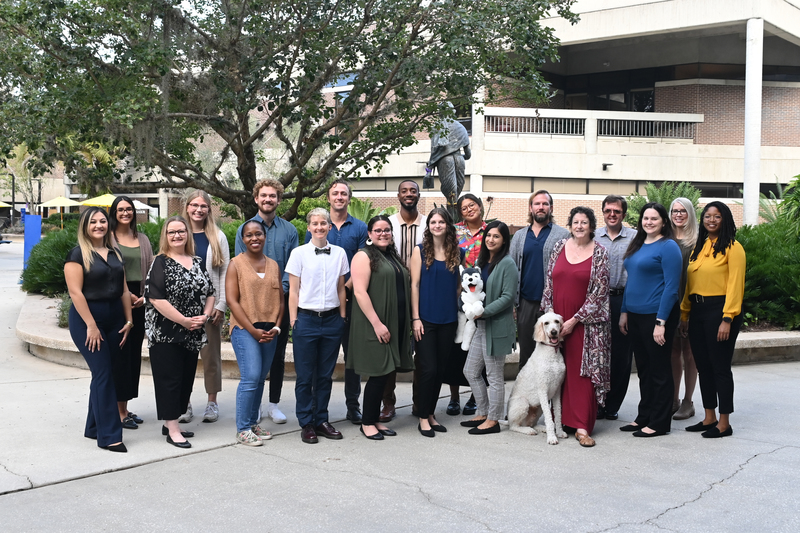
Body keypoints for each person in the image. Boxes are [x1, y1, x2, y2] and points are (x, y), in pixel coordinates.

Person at [65, 207, 134, 453]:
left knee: (108, 374)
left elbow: (124, 289)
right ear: (85, 226)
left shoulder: (115, 253)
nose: (98, 225)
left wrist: (128, 321)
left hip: (116, 319)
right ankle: (109, 436)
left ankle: (93, 427)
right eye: (92, 221)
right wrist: (91, 326)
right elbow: (75, 293)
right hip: (87, 321)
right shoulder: (77, 255)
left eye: (102, 221)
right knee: (103, 373)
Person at [541, 206, 611, 447]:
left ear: (592, 226)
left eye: (585, 222)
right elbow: (548, 283)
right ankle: (559, 421)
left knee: (581, 374)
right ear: (570, 225)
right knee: (559, 372)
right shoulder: (559, 247)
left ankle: (581, 426)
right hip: (556, 324)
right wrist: (552, 319)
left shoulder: (600, 253)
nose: (580, 226)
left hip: (586, 325)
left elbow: (599, 293)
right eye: (576, 222)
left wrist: (574, 320)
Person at [145, 216, 216, 449]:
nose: (177, 235)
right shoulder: (159, 262)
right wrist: (184, 321)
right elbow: (155, 298)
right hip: (166, 333)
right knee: (169, 380)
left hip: (193, 332)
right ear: (165, 236)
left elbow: (210, 292)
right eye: (171, 232)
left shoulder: (196, 260)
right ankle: (172, 429)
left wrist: (205, 316)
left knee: (185, 379)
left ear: (187, 234)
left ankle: (171, 422)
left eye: (181, 231)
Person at [235, 179, 298, 425]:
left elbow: (292, 267)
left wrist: (278, 289)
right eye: (264, 196)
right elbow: (242, 264)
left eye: (273, 196)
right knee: (253, 364)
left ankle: (273, 404)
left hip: (280, 301)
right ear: (256, 198)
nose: (268, 200)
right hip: (251, 301)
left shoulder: (289, 231)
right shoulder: (246, 228)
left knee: (277, 355)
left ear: (279, 200)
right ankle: (253, 408)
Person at [680, 202, 745, 439]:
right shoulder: (701, 246)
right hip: (697, 312)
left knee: (720, 368)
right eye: (707, 216)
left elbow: (735, 285)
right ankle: (709, 416)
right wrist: (685, 313)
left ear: (725, 219)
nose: (711, 220)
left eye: (717, 216)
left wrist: (728, 318)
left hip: (720, 312)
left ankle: (725, 422)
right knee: (703, 367)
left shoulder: (733, 248)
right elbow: (691, 285)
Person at [305, 179, 368, 424]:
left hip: (352, 301)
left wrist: (343, 288)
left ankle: (353, 406)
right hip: (322, 306)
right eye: (335, 193)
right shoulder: (319, 226)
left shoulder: (360, 228)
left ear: (348, 198)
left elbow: (364, 262)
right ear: (328, 198)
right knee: (322, 360)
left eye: (343, 193)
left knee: (352, 358)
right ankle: (317, 408)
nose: (339, 196)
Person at [619, 203, 683, 438]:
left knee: (659, 370)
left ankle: (659, 422)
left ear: (664, 221)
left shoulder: (668, 247)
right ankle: (643, 416)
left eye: (654, 218)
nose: (649, 222)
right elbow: (631, 280)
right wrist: (624, 312)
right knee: (644, 370)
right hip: (634, 315)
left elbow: (671, 288)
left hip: (655, 316)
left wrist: (661, 322)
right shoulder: (637, 244)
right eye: (646, 218)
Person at [347, 215, 414, 440]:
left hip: (393, 324)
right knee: (379, 373)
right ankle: (367, 423)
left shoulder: (391, 255)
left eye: (387, 230)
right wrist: (377, 324)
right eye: (378, 230)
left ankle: (374, 420)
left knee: (386, 374)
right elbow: (359, 292)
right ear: (369, 234)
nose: (383, 233)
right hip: (373, 324)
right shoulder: (362, 256)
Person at [288, 208, 349, 444]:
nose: (319, 227)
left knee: (325, 375)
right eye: (315, 223)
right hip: (306, 320)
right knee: (305, 376)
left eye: (323, 223)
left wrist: (342, 317)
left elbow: (342, 287)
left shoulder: (340, 253)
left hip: (332, 321)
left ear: (329, 227)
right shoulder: (299, 253)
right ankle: (307, 422)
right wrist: (294, 319)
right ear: (309, 227)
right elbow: (293, 290)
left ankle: (321, 419)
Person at [226, 220, 284, 447]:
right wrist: (253, 330)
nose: (254, 238)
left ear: (265, 236)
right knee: (250, 377)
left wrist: (277, 327)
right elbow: (232, 300)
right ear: (243, 239)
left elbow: (280, 299)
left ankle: (252, 423)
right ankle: (242, 429)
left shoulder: (274, 265)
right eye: (249, 235)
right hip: (244, 329)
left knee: (260, 378)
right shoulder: (235, 264)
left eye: (258, 234)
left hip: (269, 330)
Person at [460, 221, 518, 435]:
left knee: (494, 376)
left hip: (496, 326)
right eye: (489, 236)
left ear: (504, 240)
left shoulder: (507, 264)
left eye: (496, 236)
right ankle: (483, 411)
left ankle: (493, 419)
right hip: (480, 326)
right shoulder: (481, 261)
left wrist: (483, 311)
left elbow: (507, 297)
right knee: (470, 371)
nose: (491, 239)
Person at [410, 208, 463, 437]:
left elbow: (460, 285)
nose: (437, 225)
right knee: (428, 369)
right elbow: (414, 285)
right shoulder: (419, 251)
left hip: (449, 319)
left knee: (440, 370)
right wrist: (415, 318)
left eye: (441, 221)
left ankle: (431, 414)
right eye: (433, 221)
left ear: (447, 225)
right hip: (426, 320)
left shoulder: (457, 252)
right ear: (428, 225)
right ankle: (422, 417)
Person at [179, 190, 230, 424]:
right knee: (183, 358)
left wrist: (221, 304)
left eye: (203, 206)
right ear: (187, 207)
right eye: (194, 205)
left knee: (211, 357)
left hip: (210, 308)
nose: (198, 209)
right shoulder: (178, 233)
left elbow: (225, 272)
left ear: (209, 209)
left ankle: (212, 403)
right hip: (180, 309)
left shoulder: (216, 237)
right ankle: (184, 403)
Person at [510, 190, 569, 372]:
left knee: (554, 353)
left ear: (551, 208)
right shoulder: (520, 236)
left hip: (554, 304)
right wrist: (513, 303)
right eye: (537, 203)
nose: (541, 207)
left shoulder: (563, 235)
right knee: (527, 354)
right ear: (531, 207)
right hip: (526, 302)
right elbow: (511, 269)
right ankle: (527, 398)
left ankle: (552, 399)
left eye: (545, 204)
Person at [382, 179, 426, 422]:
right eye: (404, 191)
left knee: (423, 350)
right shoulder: (388, 223)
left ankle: (420, 402)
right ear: (398, 196)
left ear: (419, 195)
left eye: (413, 191)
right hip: (394, 292)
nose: (409, 194)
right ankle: (388, 402)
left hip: (423, 293)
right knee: (389, 348)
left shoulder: (429, 224)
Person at [109, 196, 153, 430]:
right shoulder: (108, 239)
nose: (125, 213)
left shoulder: (143, 239)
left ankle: (124, 407)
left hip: (140, 301)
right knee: (120, 357)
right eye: (120, 209)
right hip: (118, 301)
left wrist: (145, 296)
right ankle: (118, 411)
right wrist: (125, 294)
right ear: (114, 212)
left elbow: (152, 270)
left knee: (133, 357)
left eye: (129, 209)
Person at [593, 195, 636, 421]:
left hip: (623, 300)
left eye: (617, 211)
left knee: (620, 357)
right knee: (599, 355)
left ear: (623, 214)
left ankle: (612, 405)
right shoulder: (593, 236)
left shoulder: (635, 238)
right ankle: (597, 402)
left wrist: (627, 310)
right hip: (597, 301)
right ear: (603, 211)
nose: (612, 214)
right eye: (608, 210)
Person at [445, 193, 486, 416]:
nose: (469, 210)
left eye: (472, 205)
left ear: (479, 206)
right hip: (458, 294)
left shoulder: (490, 230)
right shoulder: (455, 231)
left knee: (477, 346)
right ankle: (453, 398)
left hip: (481, 295)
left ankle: (473, 396)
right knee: (456, 346)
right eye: (464, 208)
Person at [669, 197, 699, 421]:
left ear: (690, 213)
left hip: (691, 302)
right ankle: (673, 398)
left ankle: (688, 401)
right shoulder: (665, 238)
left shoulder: (698, 241)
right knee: (673, 352)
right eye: (674, 211)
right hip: (669, 302)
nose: (678, 215)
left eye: (683, 211)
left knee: (689, 353)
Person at [425, 102, 471, 211]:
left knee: (451, 194)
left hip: (445, 161)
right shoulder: (460, 127)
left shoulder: (437, 126)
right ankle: (455, 217)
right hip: (460, 159)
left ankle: (452, 219)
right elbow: (468, 154)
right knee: (455, 193)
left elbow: (434, 151)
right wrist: (461, 156)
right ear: (453, 112)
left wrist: (428, 170)